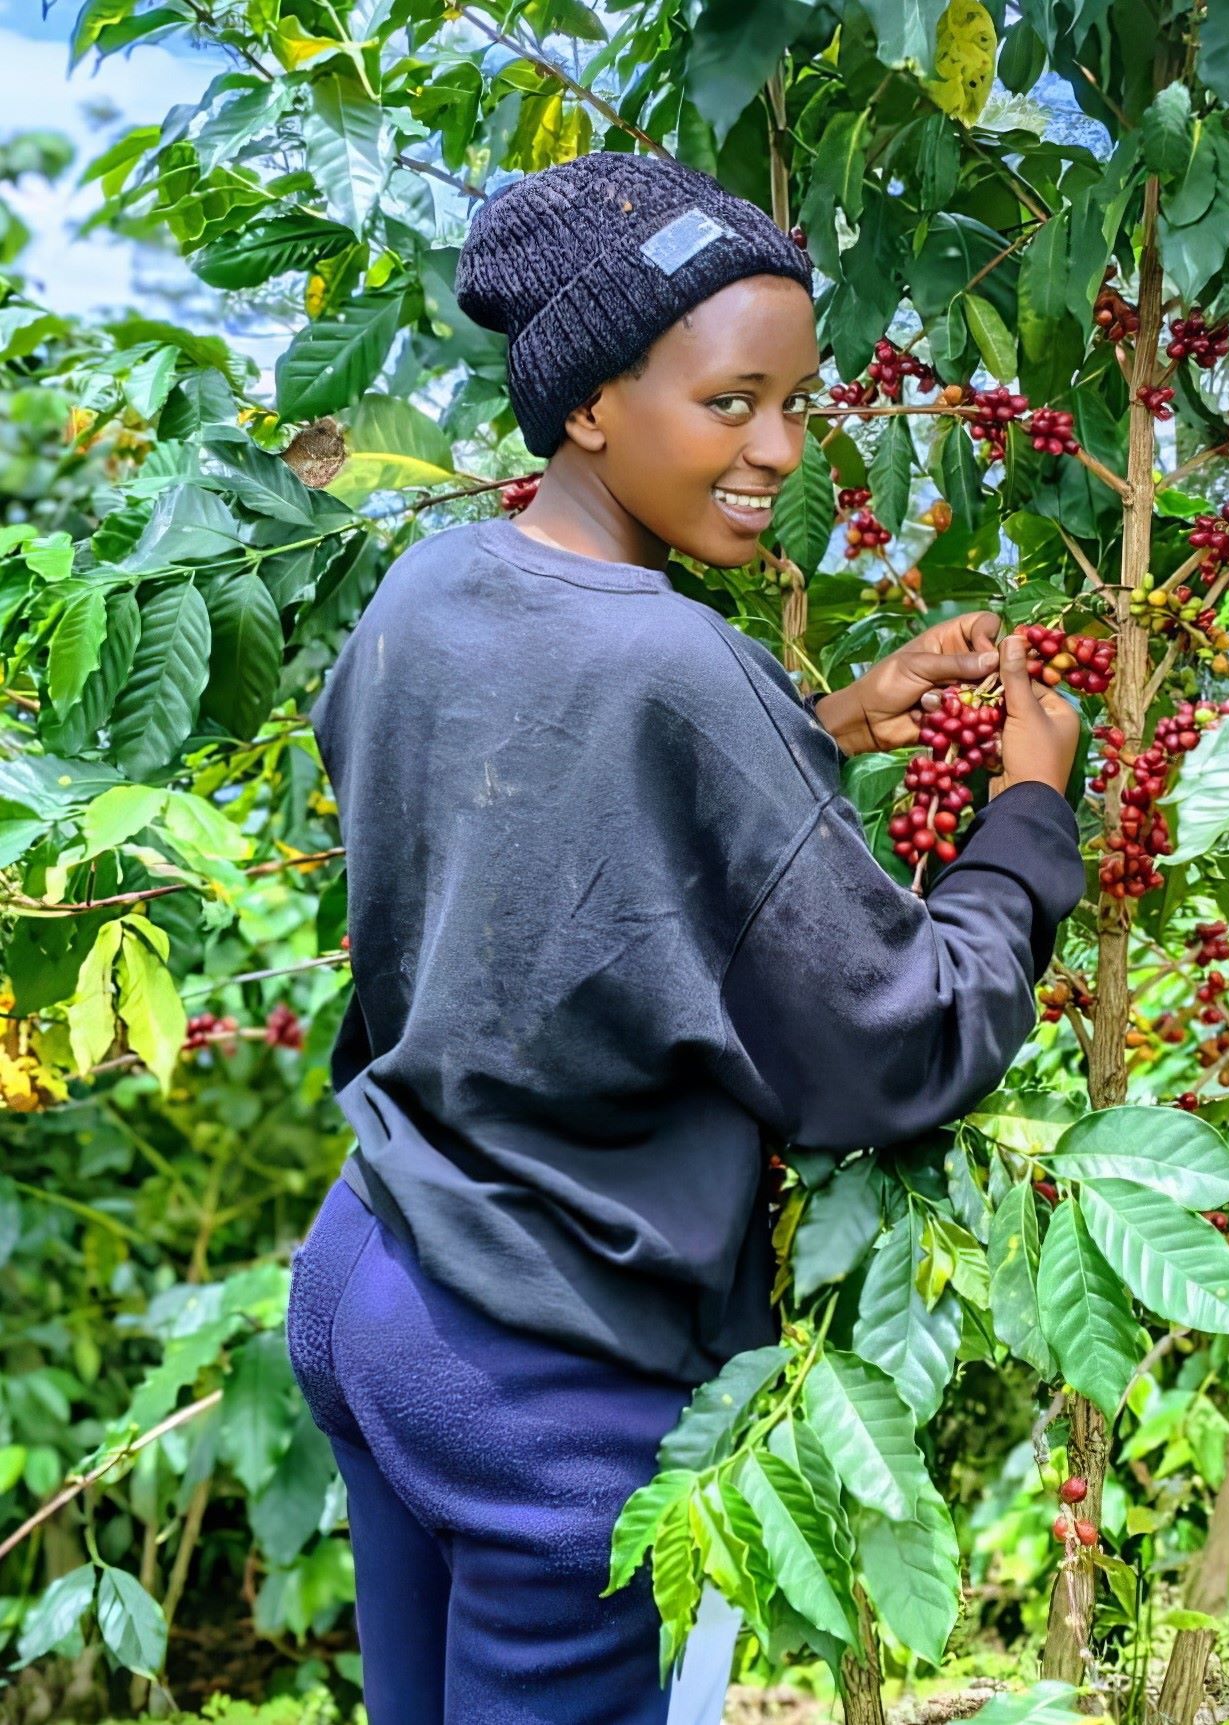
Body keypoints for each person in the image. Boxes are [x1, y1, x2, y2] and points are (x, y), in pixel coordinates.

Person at [284, 152, 1084, 1724]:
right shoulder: (678, 670)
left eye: (795, 401)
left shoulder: (431, 590)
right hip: (543, 1354)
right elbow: (899, 1040)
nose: (779, 446)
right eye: (732, 403)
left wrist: (833, 721)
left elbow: (544, 814)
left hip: (373, 1272)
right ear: (590, 401)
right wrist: (1028, 814)